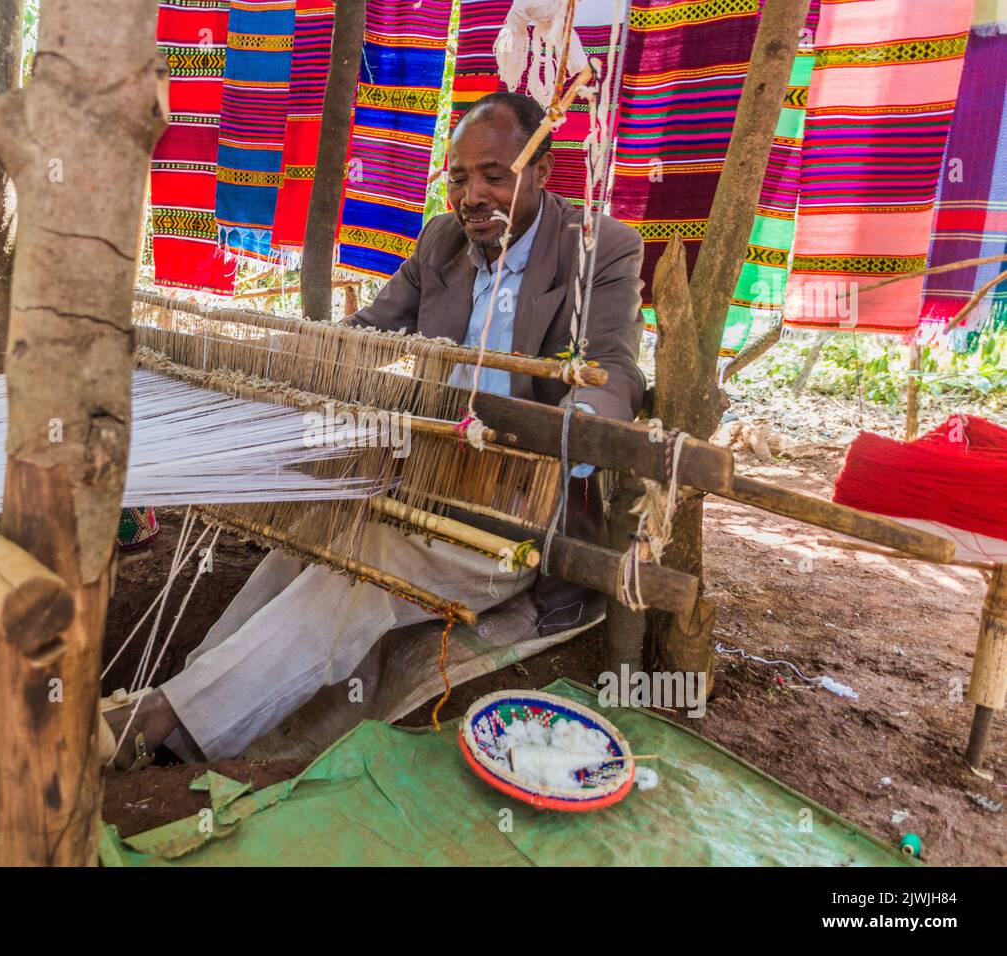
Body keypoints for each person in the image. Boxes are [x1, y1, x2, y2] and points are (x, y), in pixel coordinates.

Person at [100, 91, 646, 769]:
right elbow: (364, 337)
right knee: (310, 541)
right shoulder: (444, 241)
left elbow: (614, 370)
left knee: (369, 571)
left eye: (493, 174)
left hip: (517, 512)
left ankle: (159, 721)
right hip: (427, 476)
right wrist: (253, 368)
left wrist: (574, 433)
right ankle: (181, 713)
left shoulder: (599, 251)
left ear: (544, 171)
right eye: (458, 178)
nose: (471, 195)